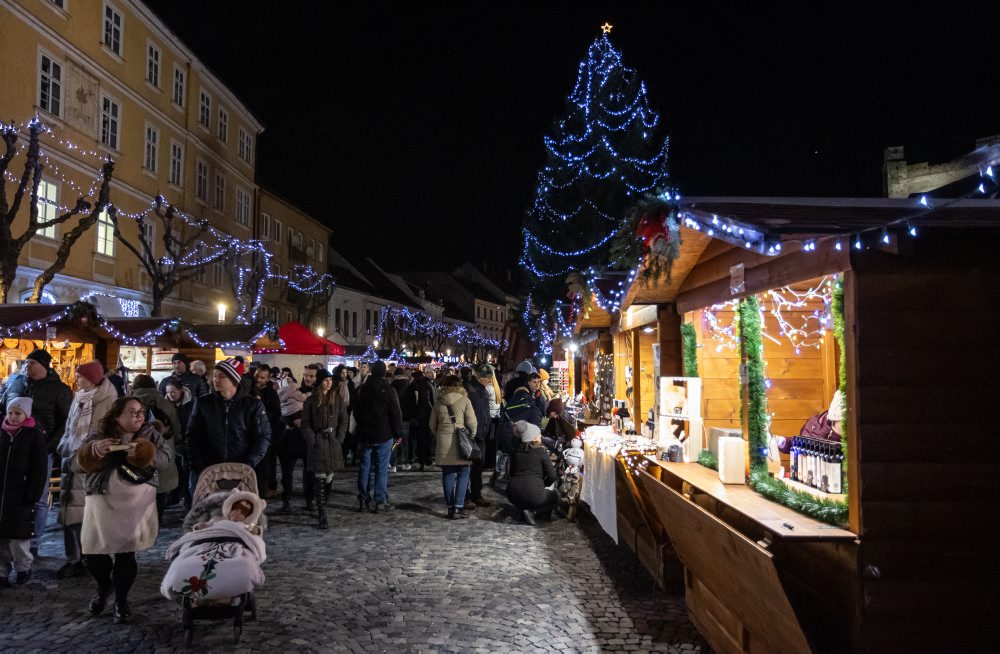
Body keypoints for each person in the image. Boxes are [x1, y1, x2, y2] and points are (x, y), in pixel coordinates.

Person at [76, 396, 170, 622]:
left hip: (134, 503)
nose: (139, 415)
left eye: (140, 411)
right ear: (117, 415)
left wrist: (144, 454)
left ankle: (121, 600)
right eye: (132, 411)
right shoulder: (99, 435)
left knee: (125, 553)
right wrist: (94, 451)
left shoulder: (151, 434)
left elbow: (166, 459)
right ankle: (104, 586)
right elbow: (74, 462)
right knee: (92, 553)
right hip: (101, 501)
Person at [1, 349, 72, 558]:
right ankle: (8, 537)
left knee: (38, 497)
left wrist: (49, 446)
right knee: (9, 494)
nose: (27, 366)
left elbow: (65, 423)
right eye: (27, 363)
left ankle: (32, 542)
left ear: (44, 365)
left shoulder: (60, 390)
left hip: (41, 451)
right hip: (11, 449)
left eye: (32, 363)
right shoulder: (16, 384)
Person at [56, 361, 118, 579]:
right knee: (70, 511)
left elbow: (109, 431)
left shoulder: (108, 400)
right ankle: (72, 558)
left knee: (90, 513)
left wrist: (93, 452)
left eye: (80, 377)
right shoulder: (78, 398)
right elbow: (69, 428)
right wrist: (65, 447)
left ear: (92, 379)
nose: (76, 380)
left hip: (93, 462)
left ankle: (90, 557)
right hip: (72, 459)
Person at [186, 358, 271, 495]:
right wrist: (197, 464)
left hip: (241, 469)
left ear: (234, 380)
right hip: (208, 469)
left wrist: (249, 463)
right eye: (214, 375)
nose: (216, 380)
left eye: (222, 376)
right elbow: (192, 435)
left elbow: (263, 436)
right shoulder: (203, 403)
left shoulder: (252, 405)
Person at [0, 398, 47, 586]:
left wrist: (32, 493)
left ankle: (23, 568)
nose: (12, 417)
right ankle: (2, 572)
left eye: (17, 413)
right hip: (1, 493)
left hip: (20, 494)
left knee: (18, 537)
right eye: (10, 413)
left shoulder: (33, 436)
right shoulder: (2, 434)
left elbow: (39, 467)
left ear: (26, 414)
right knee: (1, 537)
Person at [301, 368, 348, 529]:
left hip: (332, 442)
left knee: (329, 478)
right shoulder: (311, 401)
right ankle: (322, 513)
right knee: (319, 478)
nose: (329, 382)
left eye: (330, 380)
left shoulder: (338, 399)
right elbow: (305, 424)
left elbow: (344, 420)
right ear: (320, 382)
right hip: (318, 442)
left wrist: (339, 438)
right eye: (326, 380)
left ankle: (323, 503)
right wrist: (313, 439)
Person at [353, 361, 402, 513]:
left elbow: (355, 411)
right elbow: (395, 412)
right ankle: (380, 500)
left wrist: (362, 424)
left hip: (365, 433)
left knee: (365, 467)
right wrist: (398, 432)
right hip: (383, 433)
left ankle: (363, 497)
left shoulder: (361, 389)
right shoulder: (388, 389)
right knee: (381, 469)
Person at [129, 375, 179, 520]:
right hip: (162, 456)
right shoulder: (166, 403)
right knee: (160, 495)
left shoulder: (130, 404)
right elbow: (176, 431)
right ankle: (156, 524)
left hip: (138, 457)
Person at [429, 375, 477, 519]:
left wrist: (440, 434)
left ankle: (450, 507)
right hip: (461, 442)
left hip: (444, 441)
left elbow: (432, 425)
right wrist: (471, 437)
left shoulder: (438, 402)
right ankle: (458, 508)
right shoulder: (465, 400)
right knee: (463, 474)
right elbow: (472, 423)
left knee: (448, 475)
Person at [276, 365, 315, 512]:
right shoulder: (296, 391)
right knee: (287, 473)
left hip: (308, 439)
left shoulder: (318, 394)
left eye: (311, 376)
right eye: (306, 375)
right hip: (290, 437)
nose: (307, 378)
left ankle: (309, 500)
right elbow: (281, 412)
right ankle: (286, 501)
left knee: (309, 473)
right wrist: (291, 421)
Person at [506, 420, 559, 526]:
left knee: (527, 495)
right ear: (534, 438)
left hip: (512, 494)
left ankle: (523, 509)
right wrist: (543, 485)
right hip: (534, 495)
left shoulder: (516, 452)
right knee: (555, 497)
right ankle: (535, 511)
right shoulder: (540, 452)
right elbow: (552, 476)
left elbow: (511, 473)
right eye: (539, 435)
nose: (540, 437)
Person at [248, 365, 283, 498]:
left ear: (268, 379)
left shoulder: (271, 393)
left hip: (266, 433)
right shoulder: (249, 390)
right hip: (250, 433)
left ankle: (268, 488)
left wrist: (260, 405)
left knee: (268, 463)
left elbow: (276, 414)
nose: (258, 379)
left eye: (262, 377)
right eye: (257, 375)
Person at [464, 365, 495, 508]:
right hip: (471, 434)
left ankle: (476, 494)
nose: (489, 380)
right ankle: (465, 497)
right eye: (488, 378)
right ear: (481, 377)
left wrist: (489, 426)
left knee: (479, 466)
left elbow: (485, 411)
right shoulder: (469, 389)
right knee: (468, 466)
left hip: (482, 433)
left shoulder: (482, 390)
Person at [163, 378, 194, 509]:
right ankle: (174, 496)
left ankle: (188, 500)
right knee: (176, 471)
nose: (171, 395)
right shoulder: (165, 404)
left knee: (187, 472)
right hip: (173, 442)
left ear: (181, 391)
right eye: (168, 392)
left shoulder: (192, 403)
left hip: (188, 441)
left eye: (173, 392)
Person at [408, 370, 436, 471]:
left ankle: (422, 460)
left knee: (421, 440)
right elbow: (431, 401)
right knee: (426, 439)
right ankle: (426, 461)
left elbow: (422, 402)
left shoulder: (418, 386)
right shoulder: (427, 385)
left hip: (421, 417)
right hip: (426, 416)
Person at [390, 368, 413, 471]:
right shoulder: (408, 386)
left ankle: (393, 464)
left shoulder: (391, 386)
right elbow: (412, 402)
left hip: (394, 418)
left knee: (394, 441)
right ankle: (405, 462)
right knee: (405, 441)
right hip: (406, 417)